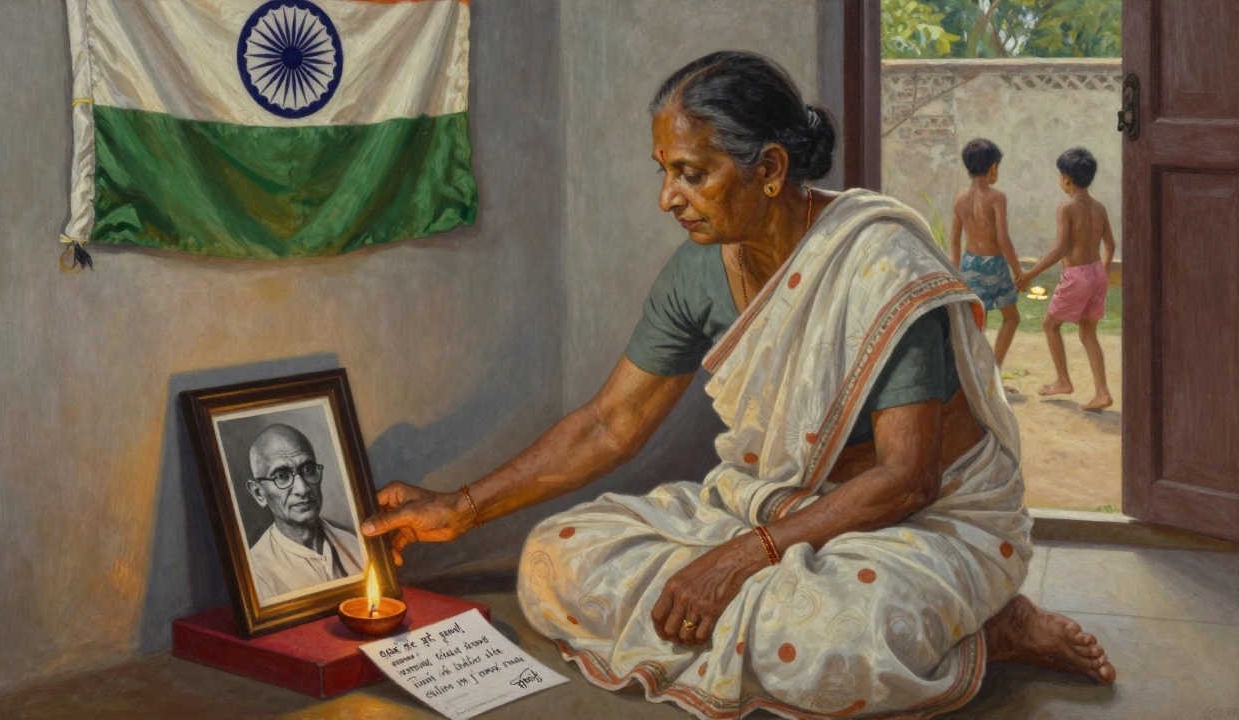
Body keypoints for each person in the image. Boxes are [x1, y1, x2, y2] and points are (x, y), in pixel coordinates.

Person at [361, 52, 1114, 718]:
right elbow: (609, 425)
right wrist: (461, 508)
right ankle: (768, 610)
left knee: (829, 647)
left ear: (773, 169)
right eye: (664, 172)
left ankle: (995, 625)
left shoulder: (880, 264)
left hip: (919, 524)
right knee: (554, 557)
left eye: (690, 173)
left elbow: (909, 478)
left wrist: (737, 559)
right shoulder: (698, 269)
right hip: (775, 504)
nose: (667, 198)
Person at [1015, 147, 1115, 412]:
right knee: (1088, 333)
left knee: (1049, 325)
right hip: (1096, 273)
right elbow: (1110, 246)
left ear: (1067, 179)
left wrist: (1029, 274)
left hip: (1077, 276)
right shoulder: (1100, 208)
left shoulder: (1067, 208)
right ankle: (1102, 392)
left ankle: (1063, 379)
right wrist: (1101, 272)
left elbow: (1060, 249)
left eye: (1060, 176)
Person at [245, 424, 364, 601]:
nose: (302, 489)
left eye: (307, 470)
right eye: (281, 476)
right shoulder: (257, 573)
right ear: (258, 493)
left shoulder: (352, 543)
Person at [951, 139, 1024, 369]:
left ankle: (976, 375)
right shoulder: (996, 198)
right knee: (1011, 318)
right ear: (993, 168)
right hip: (994, 264)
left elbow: (954, 237)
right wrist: (1018, 271)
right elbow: (1003, 239)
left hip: (969, 263)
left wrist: (956, 271)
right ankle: (994, 369)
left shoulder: (961, 198)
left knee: (978, 321)